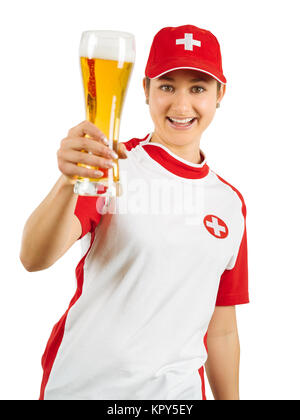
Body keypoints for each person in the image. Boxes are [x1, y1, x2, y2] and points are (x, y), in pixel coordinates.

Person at [20, 24, 249, 400]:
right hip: (85, 389)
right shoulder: (112, 165)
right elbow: (33, 257)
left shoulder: (229, 203)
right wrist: (68, 181)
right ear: (144, 90)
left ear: (220, 94)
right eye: (166, 86)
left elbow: (222, 329)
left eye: (198, 88)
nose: (180, 105)